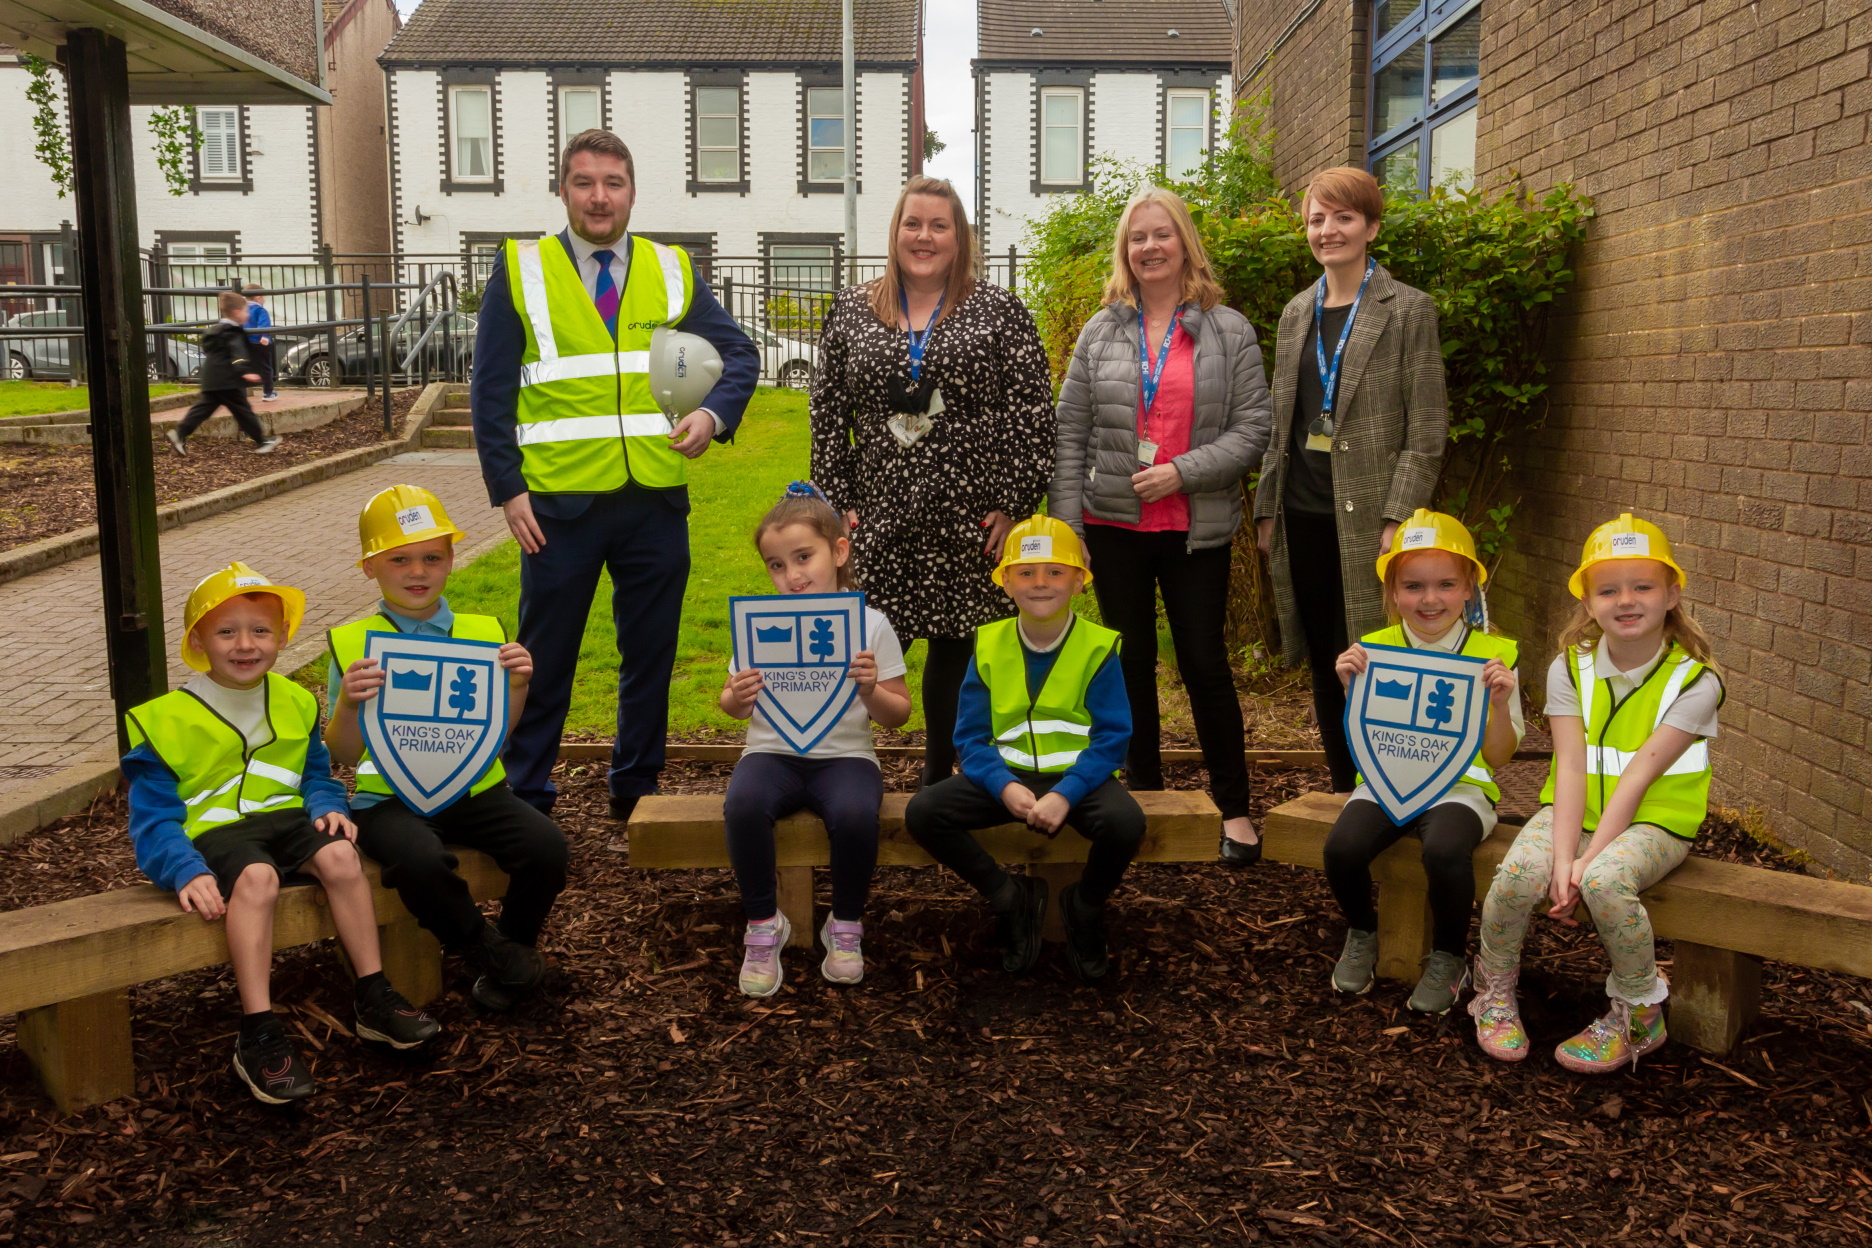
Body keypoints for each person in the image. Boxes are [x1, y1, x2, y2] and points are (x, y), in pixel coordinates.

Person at [472, 128, 760, 818]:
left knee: (650, 657)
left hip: (655, 501)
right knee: (544, 659)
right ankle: (530, 794)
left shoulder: (672, 267)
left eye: (613, 183)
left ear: (632, 190)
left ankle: (636, 790)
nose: (599, 197)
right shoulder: (521, 268)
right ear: (563, 189)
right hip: (557, 506)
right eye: (584, 182)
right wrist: (508, 488)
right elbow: (490, 390)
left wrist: (713, 416)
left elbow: (739, 355)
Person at [121, 562, 439, 1104]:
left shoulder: (295, 698)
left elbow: (315, 773)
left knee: (342, 857)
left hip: (287, 820)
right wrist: (184, 869)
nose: (245, 645)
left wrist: (326, 805)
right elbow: (152, 819)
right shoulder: (162, 719)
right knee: (259, 878)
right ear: (198, 640)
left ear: (283, 636)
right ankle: (259, 1031)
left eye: (260, 630)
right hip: (217, 833)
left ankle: (373, 997)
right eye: (227, 632)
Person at [1051, 186, 1272, 867]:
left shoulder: (1228, 329)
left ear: (1184, 244)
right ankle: (1143, 796)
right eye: (1137, 237)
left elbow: (1254, 430)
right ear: (1126, 250)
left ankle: (1234, 810)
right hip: (1111, 525)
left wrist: (1183, 471)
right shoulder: (1100, 330)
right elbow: (1071, 433)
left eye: (1161, 234)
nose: (1149, 247)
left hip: (1194, 525)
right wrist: (1068, 528)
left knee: (1205, 665)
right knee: (1130, 664)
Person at [810, 176, 1055, 789]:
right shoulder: (852, 311)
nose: (924, 237)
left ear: (959, 237)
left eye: (938, 226)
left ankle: (941, 777)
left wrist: (1012, 505)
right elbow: (826, 414)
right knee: (859, 646)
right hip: (879, 514)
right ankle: (838, 768)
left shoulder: (998, 312)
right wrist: (837, 505)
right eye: (912, 224)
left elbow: (1032, 414)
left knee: (957, 653)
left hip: (968, 516)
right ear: (894, 233)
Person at [1470, 514, 1723, 1072]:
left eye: (1643, 586)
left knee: (1606, 881)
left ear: (1673, 593)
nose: (1625, 600)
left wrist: (1583, 864)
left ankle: (1639, 1012)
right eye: (1608, 589)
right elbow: (1569, 768)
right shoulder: (1570, 667)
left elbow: (1635, 782)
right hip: (1572, 811)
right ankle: (1493, 991)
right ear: (1587, 601)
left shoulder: (1695, 681)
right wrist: (1562, 857)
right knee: (1515, 877)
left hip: (1655, 823)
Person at [323, 484, 569, 1012]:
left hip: (475, 788)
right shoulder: (355, 644)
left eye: (432, 557)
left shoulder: (481, 635)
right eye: (400, 559)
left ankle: (513, 954)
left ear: (453, 559)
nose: (418, 572)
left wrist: (519, 688)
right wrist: (347, 705)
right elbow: (344, 753)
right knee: (420, 860)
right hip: (385, 798)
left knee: (546, 848)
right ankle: (486, 952)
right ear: (370, 567)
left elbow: (494, 735)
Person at [1252, 167, 1448, 795]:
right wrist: (1266, 511)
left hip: (1374, 521)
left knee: (1375, 658)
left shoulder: (1408, 310)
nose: (1328, 230)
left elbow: (1428, 427)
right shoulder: (1294, 313)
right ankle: (1343, 790)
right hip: (1302, 513)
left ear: (1371, 227)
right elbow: (1283, 420)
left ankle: (1387, 789)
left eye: (1342, 218)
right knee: (1322, 659)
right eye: (1317, 219)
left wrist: (1399, 516)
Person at [905, 516, 1144, 984]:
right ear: (1007, 582)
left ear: (1079, 581)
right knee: (923, 812)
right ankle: (1010, 897)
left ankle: (1085, 905)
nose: (1040, 583)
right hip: (1008, 776)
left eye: (1055, 572)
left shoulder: (1098, 647)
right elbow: (970, 738)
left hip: (1079, 780)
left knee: (1126, 824)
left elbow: (1113, 738)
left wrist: (1067, 793)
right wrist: (1003, 785)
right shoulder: (989, 643)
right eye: (1027, 572)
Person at [1322, 509, 1522, 1015]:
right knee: (1342, 848)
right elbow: (1366, 742)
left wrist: (1498, 705)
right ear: (1392, 593)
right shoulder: (1372, 651)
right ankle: (1363, 933)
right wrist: (1350, 688)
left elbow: (1499, 756)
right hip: (1388, 782)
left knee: (1445, 850)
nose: (1429, 599)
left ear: (1470, 589)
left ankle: (1449, 956)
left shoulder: (1495, 656)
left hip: (1461, 789)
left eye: (1445, 585)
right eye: (1413, 586)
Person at [720, 482, 912, 996]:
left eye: (803, 557)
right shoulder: (758, 625)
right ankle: (763, 924)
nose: (792, 575)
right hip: (770, 751)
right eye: (776, 565)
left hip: (847, 756)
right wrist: (738, 695)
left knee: (853, 814)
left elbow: (899, 715)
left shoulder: (870, 625)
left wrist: (870, 689)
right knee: (742, 804)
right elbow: (730, 705)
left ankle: (845, 925)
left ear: (840, 550)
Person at [165, 289, 280, 457]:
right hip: (228, 379)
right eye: (246, 311)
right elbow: (237, 352)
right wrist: (244, 370)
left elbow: (209, 349)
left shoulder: (215, 330)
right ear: (236, 312)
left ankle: (180, 433)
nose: (248, 315)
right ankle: (262, 441)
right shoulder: (232, 331)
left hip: (212, 378)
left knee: (203, 409)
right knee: (243, 410)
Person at [243, 282, 277, 401]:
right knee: (266, 368)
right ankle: (268, 392)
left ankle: (240, 391)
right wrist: (265, 336)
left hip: (246, 343)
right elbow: (264, 324)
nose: (264, 300)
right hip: (260, 343)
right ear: (258, 297)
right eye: (263, 297)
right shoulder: (260, 310)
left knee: (246, 366)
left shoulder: (242, 310)